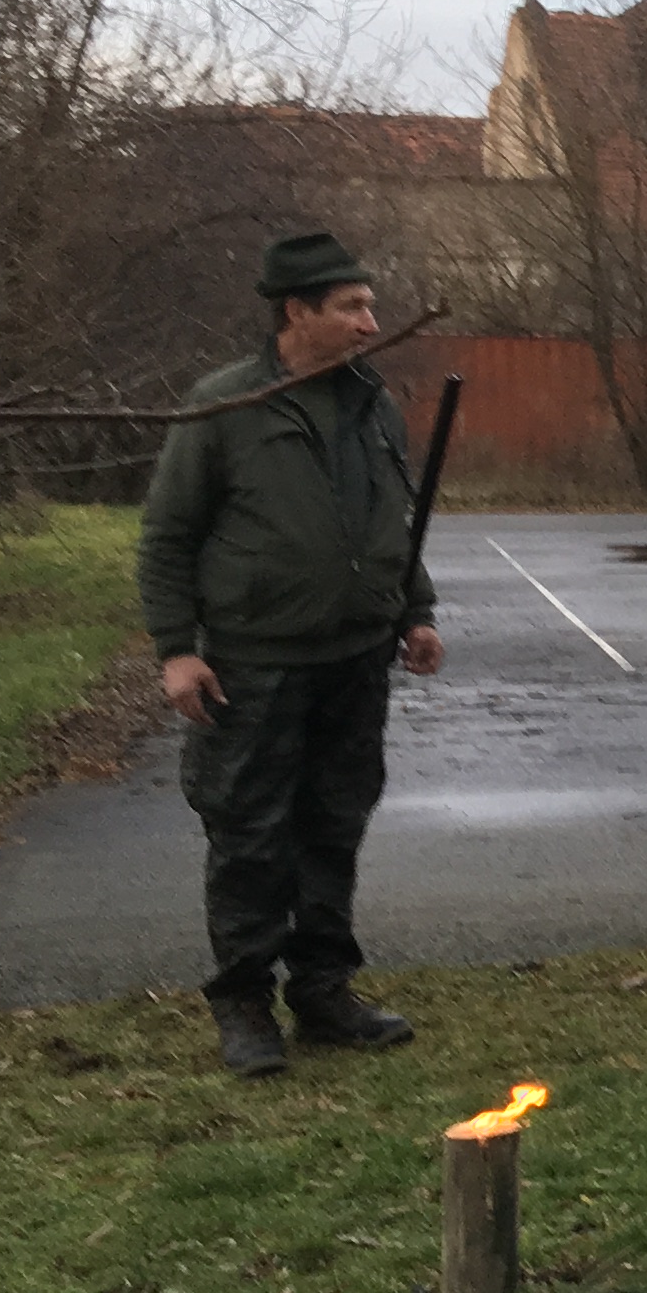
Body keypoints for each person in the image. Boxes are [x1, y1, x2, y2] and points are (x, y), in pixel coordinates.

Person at [138, 230, 445, 1077]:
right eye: (352, 307)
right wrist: (177, 652)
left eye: (369, 306)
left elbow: (392, 523)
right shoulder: (224, 407)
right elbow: (167, 537)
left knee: (334, 826)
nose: (369, 323)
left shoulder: (374, 405)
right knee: (249, 836)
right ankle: (244, 1005)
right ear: (296, 312)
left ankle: (323, 991)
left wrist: (415, 611)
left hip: (357, 659)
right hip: (254, 663)